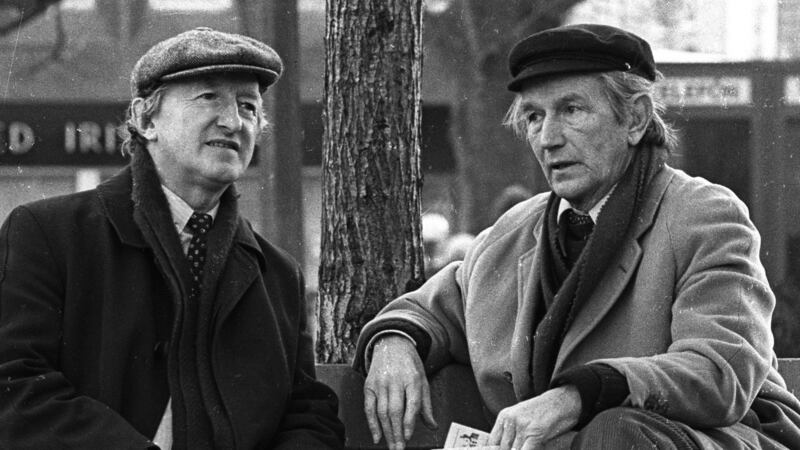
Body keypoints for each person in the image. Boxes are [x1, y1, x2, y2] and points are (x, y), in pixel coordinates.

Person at [354, 23, 800, 450]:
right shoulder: (514, 233)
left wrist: (575, 396)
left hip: (712, 438)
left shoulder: (703, 216)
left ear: (636, 119)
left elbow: (719, 372)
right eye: (533, 116)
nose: (548, 138)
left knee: (617, 430)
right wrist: (395, 342)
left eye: (571, 110)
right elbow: (433, 307)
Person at [0, 28, 344, 449]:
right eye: (209, 98)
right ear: (146, 120)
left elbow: (308, 414)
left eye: (248, 106)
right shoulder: (48, 233)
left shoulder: (277, 274)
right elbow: (14, 383)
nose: (234, 122)